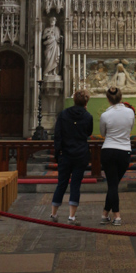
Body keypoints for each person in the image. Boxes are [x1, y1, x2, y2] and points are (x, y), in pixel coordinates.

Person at [50, 89, 93, 224]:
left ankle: (53, 214)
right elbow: (88, 133)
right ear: (86, 101)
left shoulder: (63, 114)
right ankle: (71, 216)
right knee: (75, 185)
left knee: (61, 184)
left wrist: (58, 153)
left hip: (65, 154)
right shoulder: (88, 117)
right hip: (80, 154)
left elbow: (58, 135)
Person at [99, 86, 135, 225]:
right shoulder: (130, 112)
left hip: (108, 150)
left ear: (108, 99)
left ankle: (116, 216)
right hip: (124, 151)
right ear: (121, 97)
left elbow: (103, 134)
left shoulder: (105, 115)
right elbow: (131, 128)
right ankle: (106, 214)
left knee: (112, 184)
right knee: (113, 184)